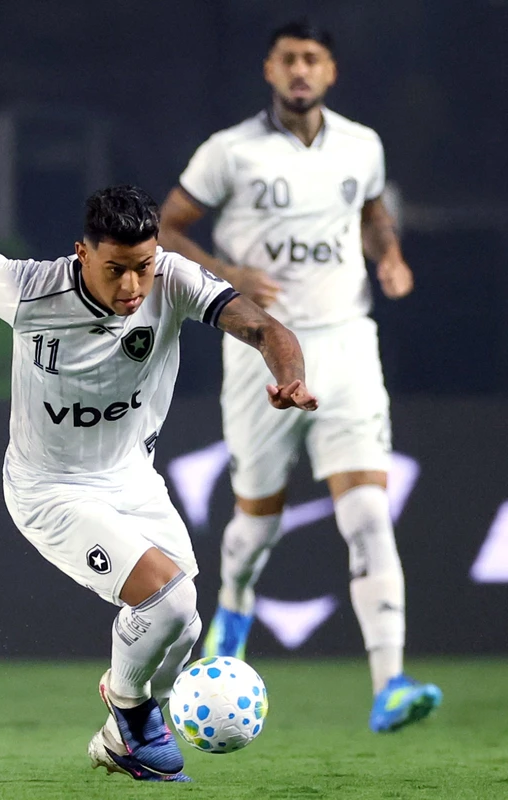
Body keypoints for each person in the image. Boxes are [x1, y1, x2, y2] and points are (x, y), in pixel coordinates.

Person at [0, 186, 315, 782]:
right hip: (49, 489)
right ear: (82, 254)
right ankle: (128, 707)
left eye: (142, 267)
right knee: (168, 602)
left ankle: (120, 732)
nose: (132, 286)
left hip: (133, 480)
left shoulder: (173, 279)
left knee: (184, 626)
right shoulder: (28, 287)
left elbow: (262, 327)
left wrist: (290, 377)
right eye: (115, 269)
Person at [156, 19, 441, 733]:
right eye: (288, 59)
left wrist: (389, 255)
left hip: (346, 342)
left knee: (368, 514)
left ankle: (390, 683)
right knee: (258, 519)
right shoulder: (230, 150)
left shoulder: (362, 145)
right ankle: (234, 607)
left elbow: (372, 212)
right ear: (270, 70)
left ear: (330, 72)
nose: (300, 70)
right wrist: (227, 273)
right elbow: (166, 227)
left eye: (312, 59)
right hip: (260, 343)